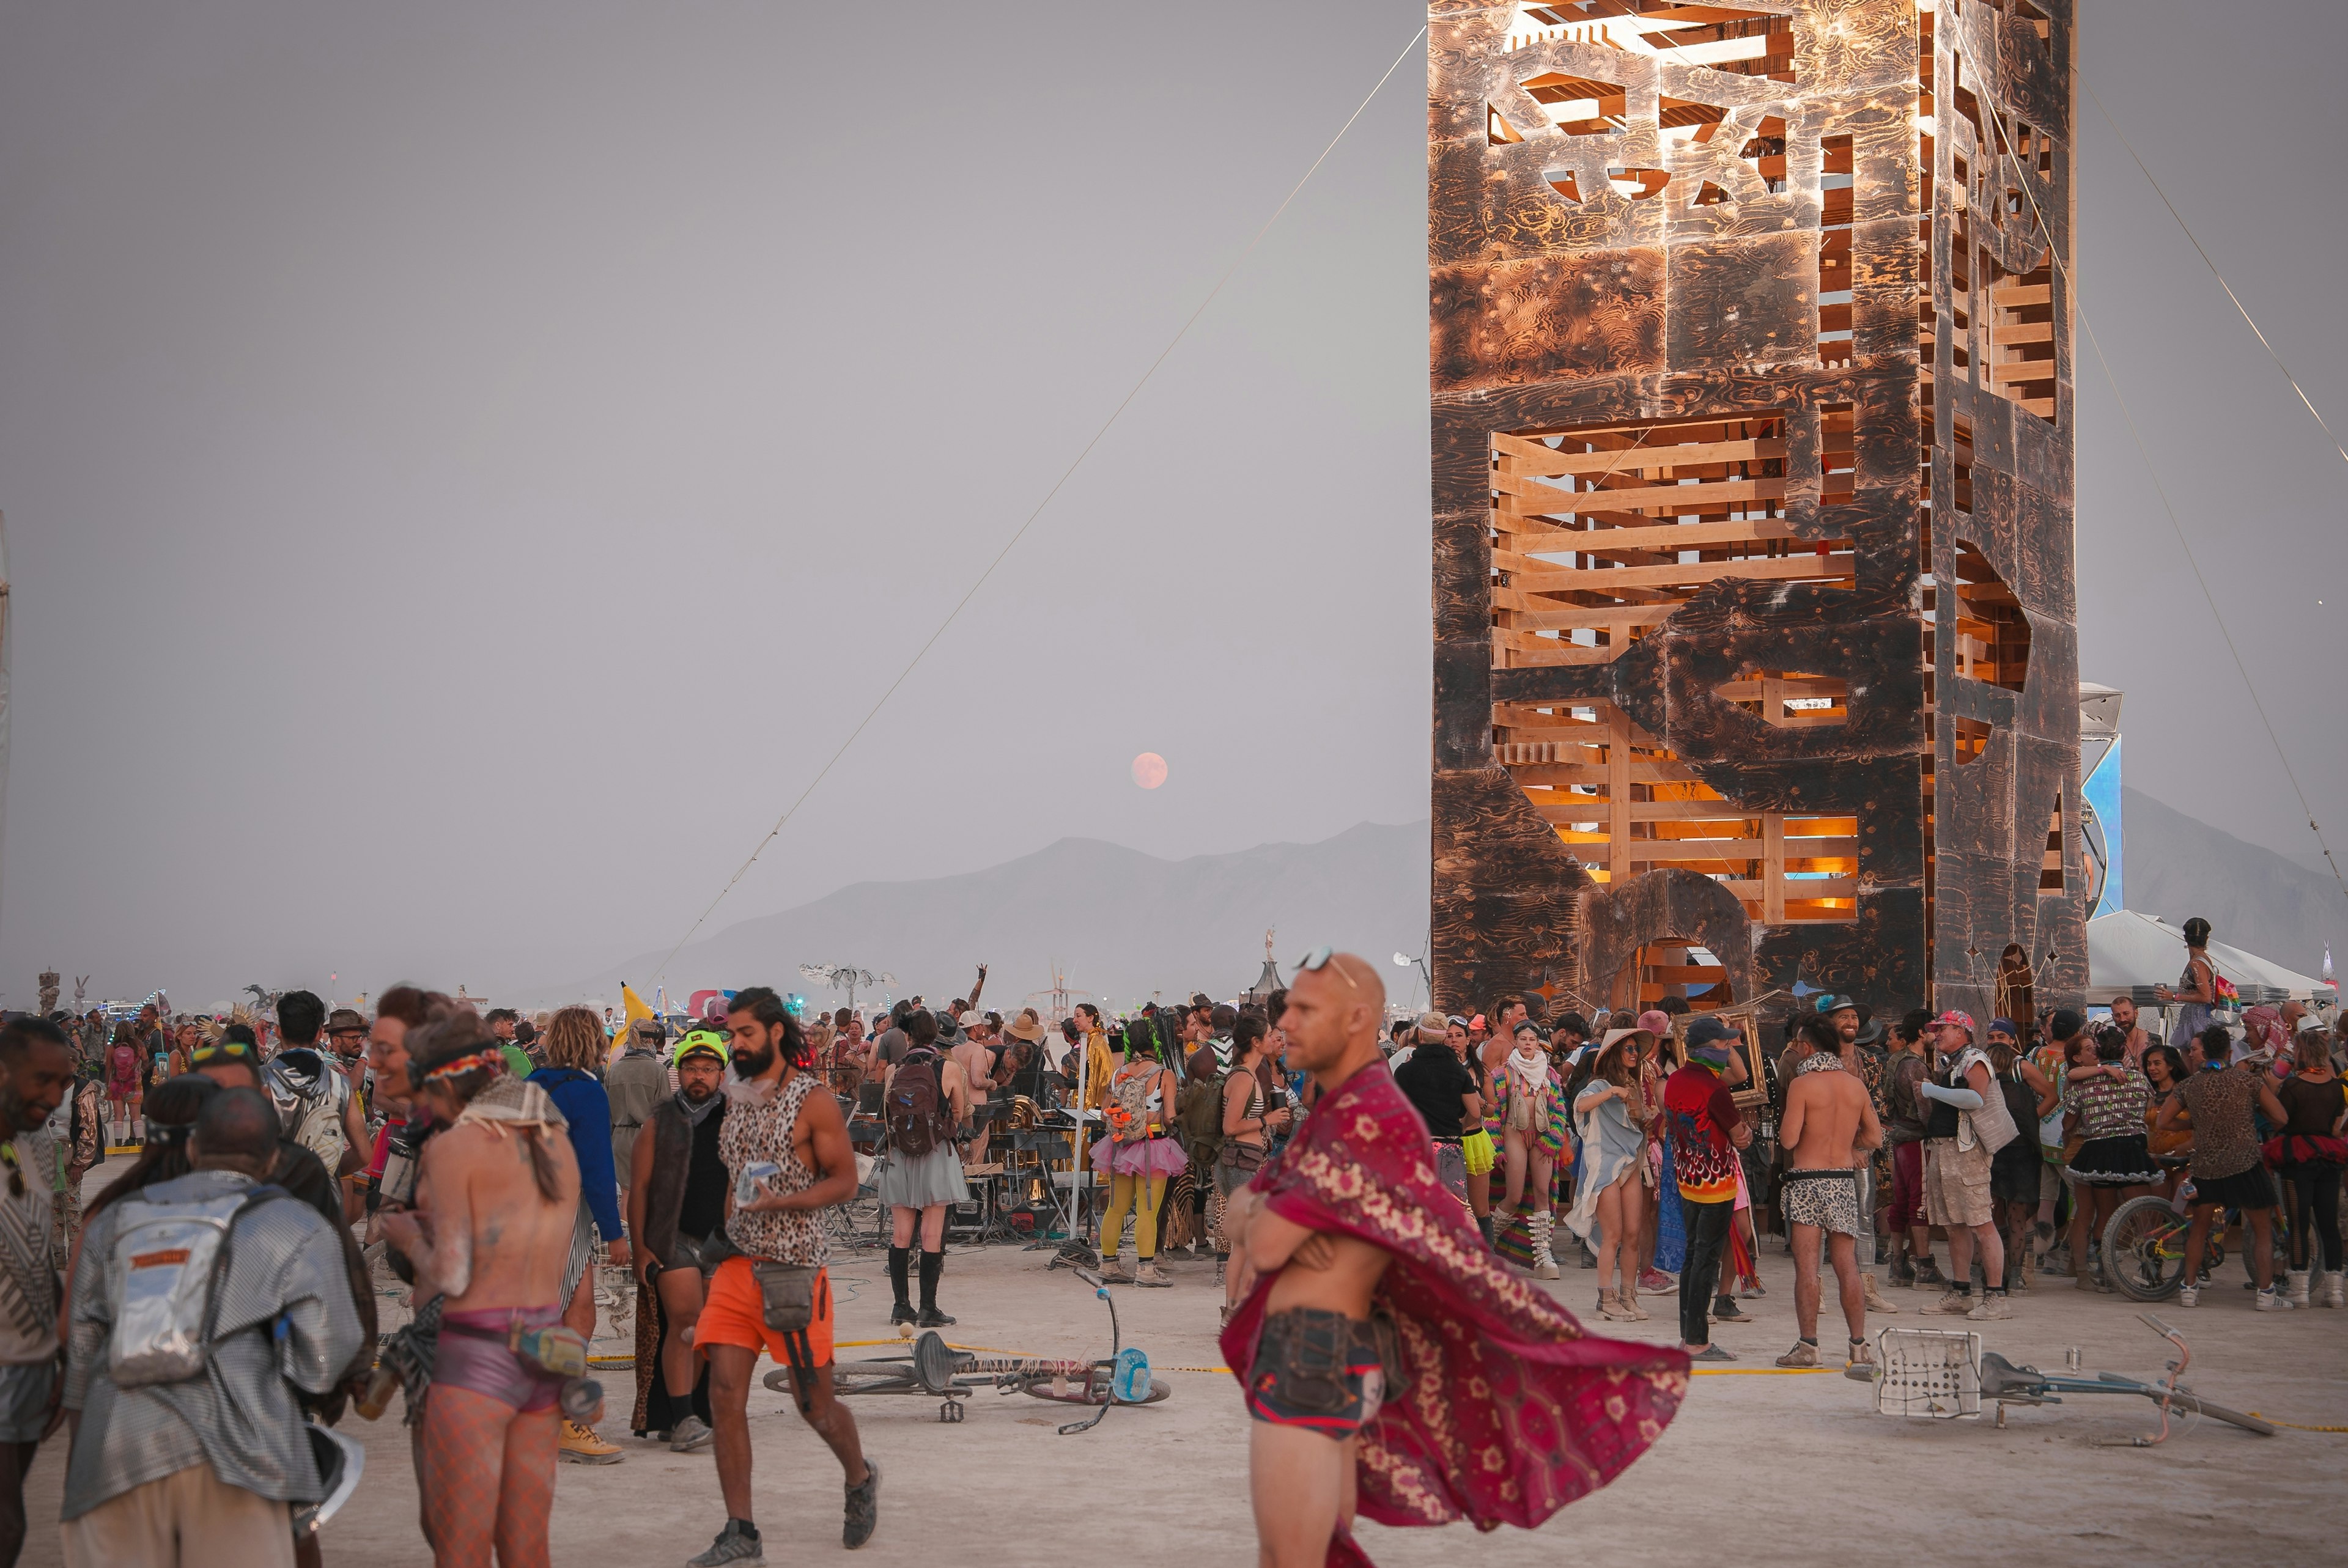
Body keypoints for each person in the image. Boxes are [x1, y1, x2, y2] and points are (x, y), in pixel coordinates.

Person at [1222, 952, 1683, 1568]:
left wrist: (1261, 1203)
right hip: (1311, 1350)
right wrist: (1262, 1209)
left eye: (1306, 1009)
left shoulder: (1366, 1118)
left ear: (1357, 1019)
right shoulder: (1339, 1116)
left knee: (1293, 1555)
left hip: (1318, 1355)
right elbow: (1240, 1225)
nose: (1289, 1023)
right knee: (1296, 1551)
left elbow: (1265, 1238)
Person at [61, 1087, 365, 1568]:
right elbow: (326, 1355)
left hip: (117, 1446)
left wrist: (88, 1455)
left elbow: (81, 1351)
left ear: (193, 1148)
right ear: (271, 1158)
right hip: (242, 1455)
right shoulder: (296, 1223)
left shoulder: (115, 1219)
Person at [376, 1004, 583, 1567]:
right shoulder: (555, 1142)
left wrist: (404, 1235)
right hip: (546, 1343)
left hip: (476, 1349)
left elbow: (452, 1273)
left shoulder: (455, 1148)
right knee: (527, 1543)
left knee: (461, 1543)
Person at [693, 987, 876, 1564]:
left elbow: (845, 1180)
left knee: (813, 1404)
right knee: (724, 1393)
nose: (735, 1043)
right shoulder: (736, 1096)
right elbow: (736, 1175)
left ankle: (859, 1475)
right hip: (735, 1268)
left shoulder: (812, 1099)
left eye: (745, 1032)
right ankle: (741, 1530)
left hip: (794, 1268)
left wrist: (781, 1205)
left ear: (775, 1032)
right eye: (731, 1034)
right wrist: (722, 1239)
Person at [528, 1006, 630, 1464]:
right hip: (565, 1215)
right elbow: (595, 1166)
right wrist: (614, 1233)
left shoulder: (530, 1087)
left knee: (548, 1316)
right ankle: (567, 1420)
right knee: (578, 1316)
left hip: (525, 1214)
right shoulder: (586, 1090)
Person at [627, 1029, 729, 1449]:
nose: (698, 1076)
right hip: (673, 1239)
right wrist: (639, 1248)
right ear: (679, 1071)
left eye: (707, 1068)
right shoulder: (658, 1123)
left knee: (708, 1330)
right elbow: (639, 1188)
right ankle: (684, 1417)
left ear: (721, 1074)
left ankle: (688, 1411)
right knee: (685, 1323)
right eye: (691, 1068)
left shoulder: (738, 1121)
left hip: (722, 1242)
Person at [0, 1020, 74, 1565]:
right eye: (41, 1080)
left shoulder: (36, 1147)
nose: (53, 1097)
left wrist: (61, 1350)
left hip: (29, 1369)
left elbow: (33, 1254)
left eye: (64, 1084)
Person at [1773, 1015, 1885, 1374]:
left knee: (1807, 1268)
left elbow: (1789, 1140)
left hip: (1808, 1179)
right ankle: (1860, 1345)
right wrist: (1847, 1145)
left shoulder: (1803, 1085)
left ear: (1806, 1047)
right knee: (1847, 1266)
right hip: (1842, 1179)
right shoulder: (1855, 1086)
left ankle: (1809, 1346)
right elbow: (1874, 1138)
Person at [2157, 1025, 2291, 1309]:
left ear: (2203, 1052)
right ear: (2230, 1053)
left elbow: (2163, 1122)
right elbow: (2281, 1117)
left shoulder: (2189, 1085)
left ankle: (2189, 1289)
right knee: (2263, 1230)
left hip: (2207, 1166)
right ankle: (2266, 1294)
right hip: (2245, 1163)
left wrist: (2194, 1123)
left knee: (2199, 1229)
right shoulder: (2247, 1082)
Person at [1659, 1016, 1753, 1361]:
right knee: (1705, 1259)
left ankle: (1689, 1336)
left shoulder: (1676, 1081)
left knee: (1692, 1257)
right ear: (1704, 1050)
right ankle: (1697, 1341)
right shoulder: (1715, 1089)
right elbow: (1740, 1135)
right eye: (1723, 1045)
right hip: (1716, 1183)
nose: (1729, 1049)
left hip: (1687, 1179)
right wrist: (1742, 1136)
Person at [1917, 1012, 2012, 1319]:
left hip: (1966, 1152)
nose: (1937, 1034)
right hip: (1946, 1150)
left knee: (1980, 1222)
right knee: (1954, 1224)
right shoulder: (1955, 1062)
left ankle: (1996, 1297)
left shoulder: (1975, 1059)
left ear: (1962, 1031)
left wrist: (1931, 1090)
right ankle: (1961, 1292)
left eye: (1942, 1029)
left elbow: (1975, 1099)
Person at [879, 1010, 970, 1322]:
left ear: (908, 1037)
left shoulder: (895, 1070)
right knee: (931, 1233)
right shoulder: (950, 1069)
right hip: (935, 1154)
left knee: (901, 1233)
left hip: (900, 1155)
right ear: (937, 1036)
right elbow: (958, 1114)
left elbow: (887, 1112)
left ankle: (900, 1307)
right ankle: (929, 1308)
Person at [2061, 1027, 2158, 1292]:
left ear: (2099, 1053)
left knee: (2101, 1215)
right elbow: (2149, 1111)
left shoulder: (2084, 1083)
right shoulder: (2138, 1079)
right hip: (2132, 1151)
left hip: (2098, 1151)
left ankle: (2104, 1274)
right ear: (2124, 1050)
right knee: (2142, 1214)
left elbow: (2068, 1123)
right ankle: (2152, 1271)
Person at [1090, 1024, 1184, 1288]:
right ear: (1155, 1043)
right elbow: (1169, 1116)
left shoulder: (1119, 1073)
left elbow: (1105, 1110)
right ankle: (1145, 1269)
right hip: (1153, 1146)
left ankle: (1108, 1265)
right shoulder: (1164, 1074)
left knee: (1116, 1208)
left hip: (1120, 1146)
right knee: (1148, 1211)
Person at [1566, 1027, 1650, 1323]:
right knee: (1611, 1235)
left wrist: (1644, 1115)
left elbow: (1640, 1122)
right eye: (1628, 1049)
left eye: (1636, 1049)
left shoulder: (1636, 1086)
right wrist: (1612, 1092)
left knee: (1632, 1235)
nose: (1634, 1053)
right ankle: (1606, 1297)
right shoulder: (1599, 1085)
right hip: (1604, 1166)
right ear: (1615, 1053)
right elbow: (1579, 1106)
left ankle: (1629, 1295)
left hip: (1630, 1164)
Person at [1216, 1015, 1293, 1317]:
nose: (1276, 1039)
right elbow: (1230, 1125)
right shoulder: (1244, 1078)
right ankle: (1235, 1310)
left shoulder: (1249, 1073)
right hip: (1240, 1162)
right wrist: (1267, 1120)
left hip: (1244, 1161)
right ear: (1256, 1042)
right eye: (1271, 1035)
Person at [2267, 1020, 2345, 1309]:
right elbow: (2336, 1126)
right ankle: (2334, 1290)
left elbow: (2281, 1119)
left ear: (2301, 1052)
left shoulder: (2293, 1086)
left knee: (2298, 1224)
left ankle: (2300, 1287)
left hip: (2296, 1155)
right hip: (2329, 1156)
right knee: (2329, 1224)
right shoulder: (2337, 1088)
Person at [1489, 1020, 1568, 1279]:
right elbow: (1493, 1113)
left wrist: (1554, 1138)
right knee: (1513, 1196)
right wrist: (1496, 1146)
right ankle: (1487, 1244)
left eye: (1532, 1040)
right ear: (1516, 1042)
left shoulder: (1550, 1075)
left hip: (1542, 1137)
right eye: (1522, 1039)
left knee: (1542, 1192)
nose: (1527, 1044)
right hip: (1514, 1135)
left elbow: (1559, 1110)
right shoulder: (1502, 1073)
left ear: (1538, 1043)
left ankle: (1543, 1254)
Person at [1391, 1011, 1476, 1213]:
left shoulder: (1405, 1071)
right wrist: (1462, 1127)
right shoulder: (1458, 1071)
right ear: (1444, 1037)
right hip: (1450, 1146)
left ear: (1420, 1036)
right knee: (1455, 1208)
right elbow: (1475, 1110)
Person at [606, 1018, 669, 1194]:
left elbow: (608, 1114)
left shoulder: (614, 1070)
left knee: (626, 1196)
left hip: (619, 1138)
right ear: (651, 1041)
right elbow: (665, 1116)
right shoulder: (658, 1071)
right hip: (648, 1138)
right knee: (648, 1196)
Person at [2154, 916, 2221, 1048]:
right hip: (2193, 1017)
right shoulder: (2202, 960)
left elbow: (2205, 997)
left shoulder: (2197, 963)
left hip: (2197, 1019)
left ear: (2185, 938)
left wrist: (2174, 997)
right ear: (2206, 939)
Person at [104, 1023, 142, 1146]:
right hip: (134, 1083)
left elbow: (108, 1066)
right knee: (136, 1115)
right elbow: (146, 1060)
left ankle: (118, 1145)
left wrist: (107, 1084)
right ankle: (140, 1143)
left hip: (117, 1084)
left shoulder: (113, 1047)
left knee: (119, 1115)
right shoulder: (138, 1045)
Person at [2108, 995, 2152, 1067]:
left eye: (2126, 1014)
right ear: (2113, 1017)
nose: (2122, 1019)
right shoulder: (2110, 1044)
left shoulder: (2153, 1039)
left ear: (2136, 1013)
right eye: (2117, 1015)